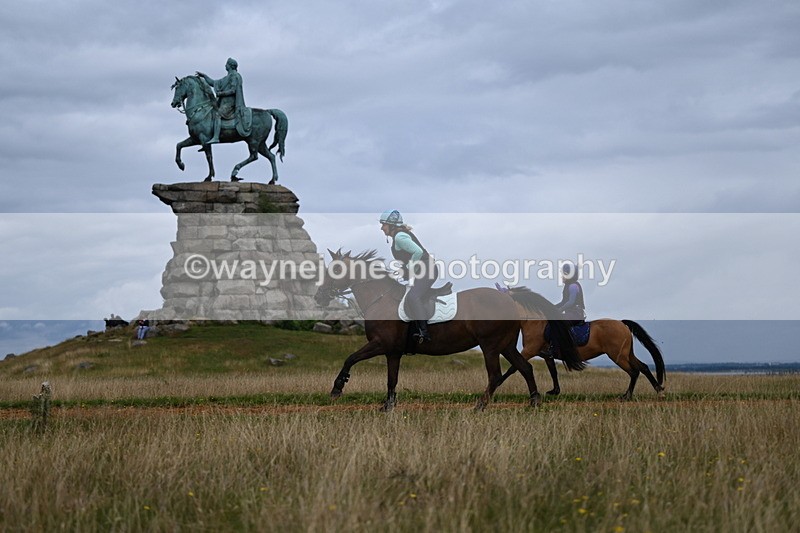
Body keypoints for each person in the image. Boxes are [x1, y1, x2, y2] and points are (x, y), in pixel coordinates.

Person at [380, 210, 438, 343]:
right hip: (422, 270)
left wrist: (408, 269)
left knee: (413, 297)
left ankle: (424, 332)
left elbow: (417, 252)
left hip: (427, 270)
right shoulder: (399, 236)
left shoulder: (400, 237)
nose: (382, 228)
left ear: (391, 225)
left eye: (383, 224)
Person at [196, 58, 249, 145]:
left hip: (230, 104)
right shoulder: (226, 78)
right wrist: (204, 76)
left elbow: (233, 90)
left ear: (230, 66)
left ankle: (216, 137)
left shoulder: (235, 76)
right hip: (223, 103)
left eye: (226, 64)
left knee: (217, 114)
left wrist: (221, 94)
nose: (225, 65)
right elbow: (213, 83)